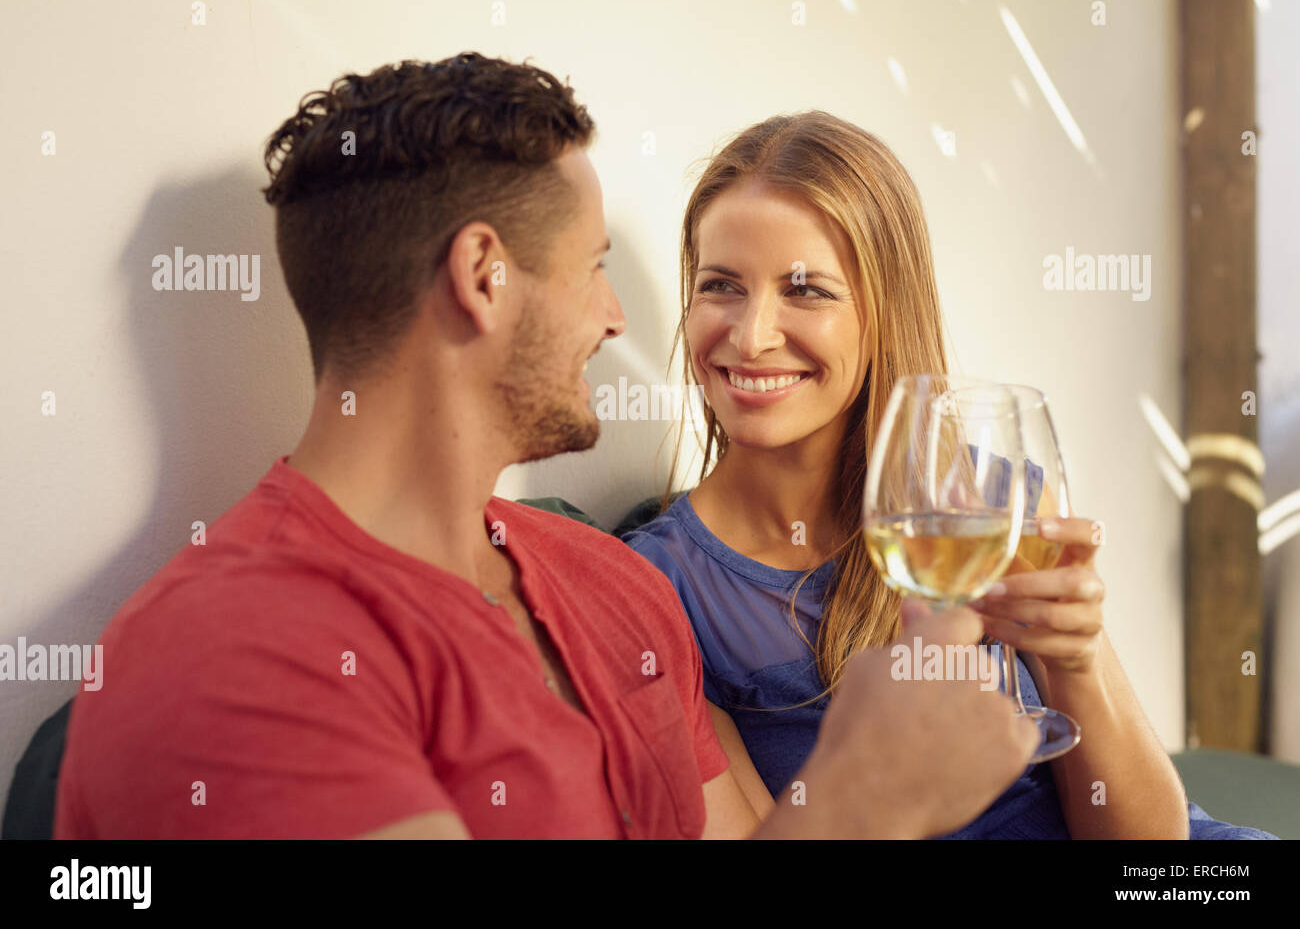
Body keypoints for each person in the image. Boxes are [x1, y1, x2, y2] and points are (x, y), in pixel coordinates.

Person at [53, 53, 1039, 840]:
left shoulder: (612, 586)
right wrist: (868, 801)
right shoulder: (233, 653)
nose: (617, 318)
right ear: (483, 275)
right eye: (594, 267)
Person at [620, 110, 1276, 839]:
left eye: (805, 291)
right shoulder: (658, 589)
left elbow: (1157, 847)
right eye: (721, 286)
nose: (751, 335)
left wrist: (1080, 662)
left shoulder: (991, 506)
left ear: (883, 310)